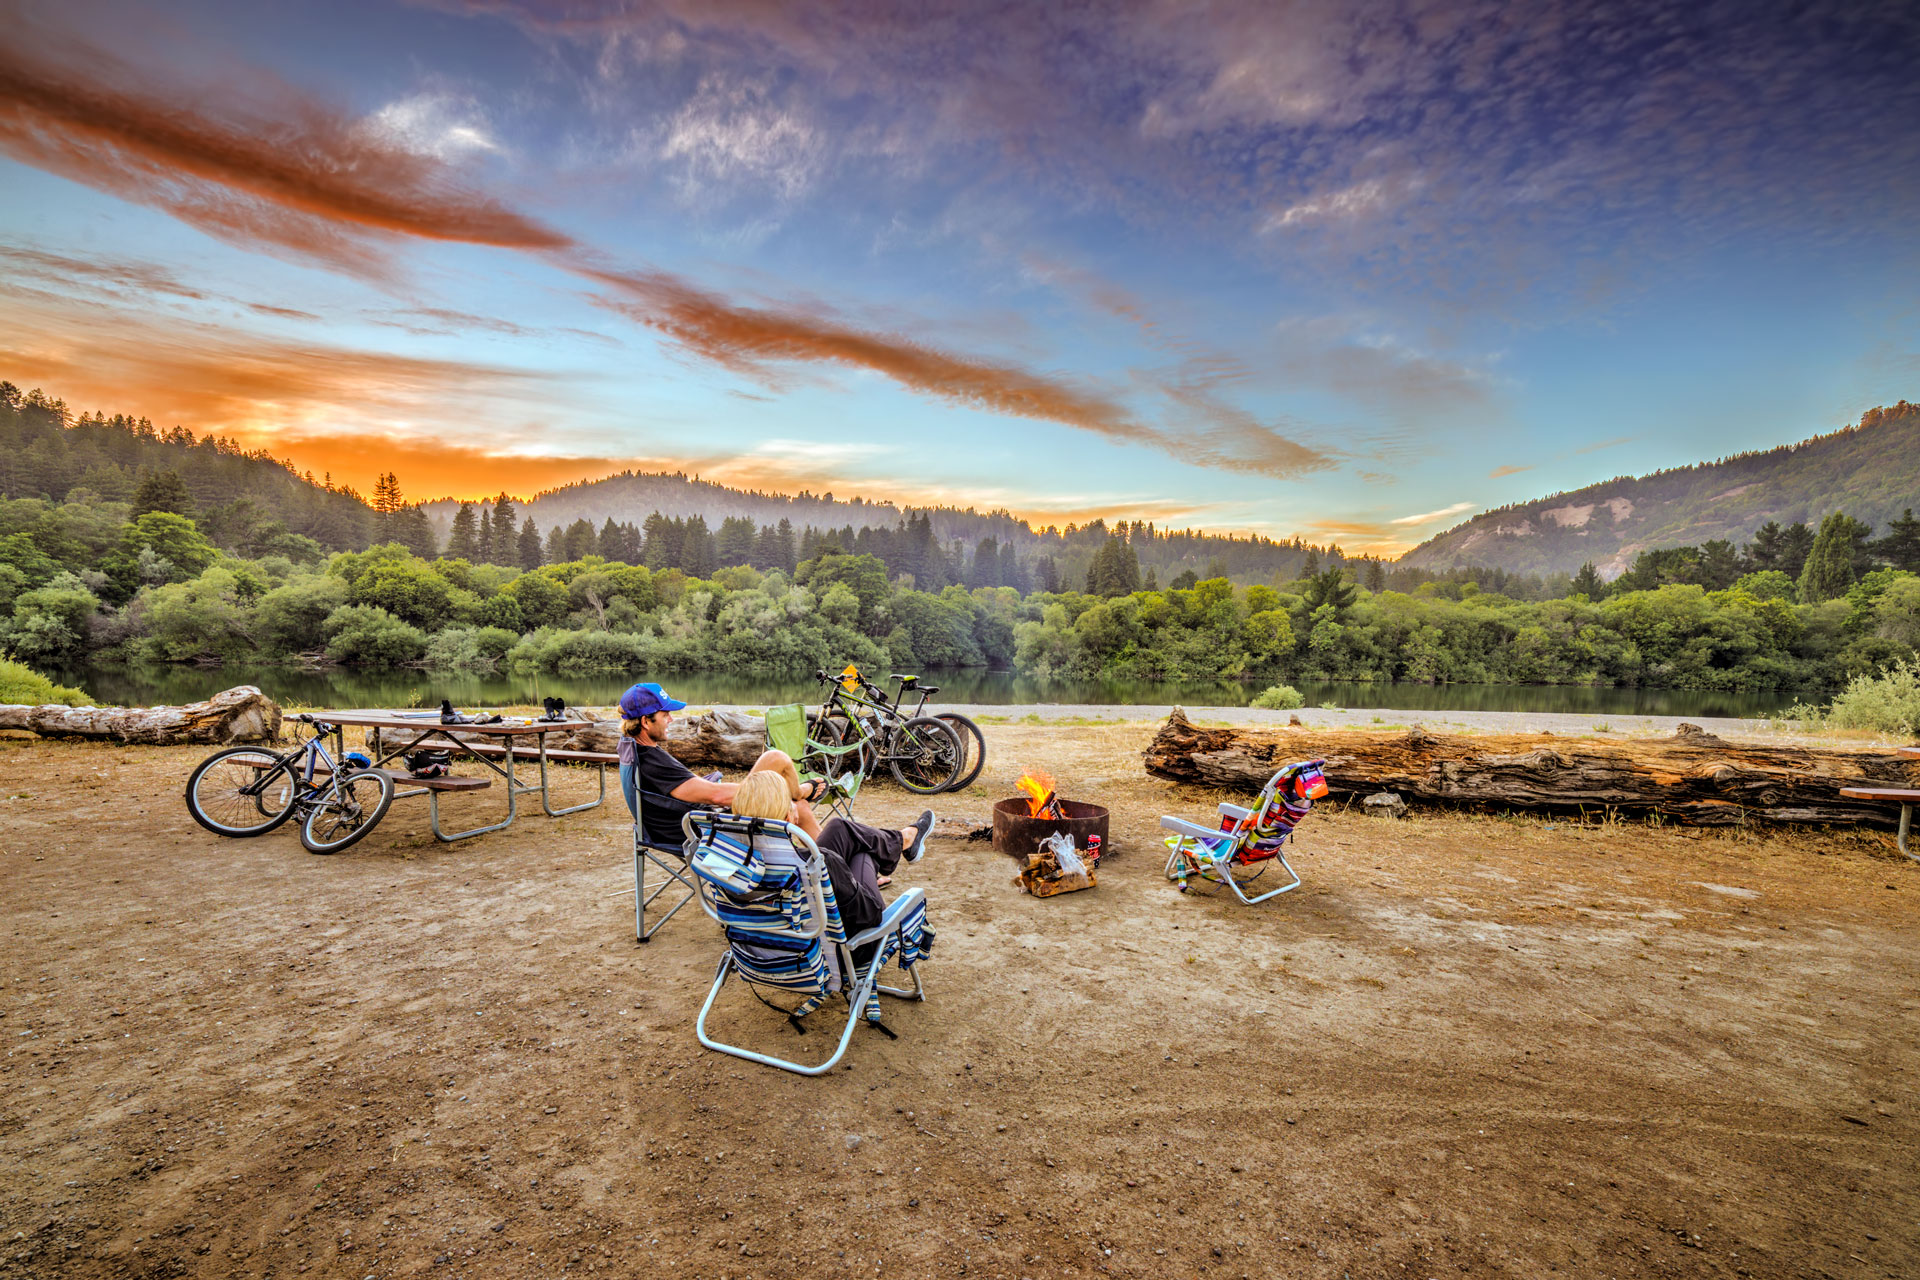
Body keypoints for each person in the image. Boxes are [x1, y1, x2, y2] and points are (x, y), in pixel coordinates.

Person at [617, 683, 933, 892]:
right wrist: (779, 795)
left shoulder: (633, 750)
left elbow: (698, 791)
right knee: (778, 761)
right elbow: (715, 795)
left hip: (694, 824)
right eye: (664, 714)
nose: (671, 718)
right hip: (707, 833)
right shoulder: (652, 761)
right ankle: (898, 840)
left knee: (797, 800)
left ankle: (840, 868)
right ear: (646, 722)